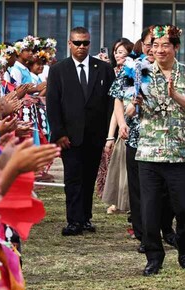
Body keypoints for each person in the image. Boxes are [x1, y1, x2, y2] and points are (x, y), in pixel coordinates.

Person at [117, 24, 185, 275]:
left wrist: (175, 94)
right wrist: (134, 104)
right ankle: (154, 256)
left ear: (176, 47)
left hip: (180, 153)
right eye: (155, 44)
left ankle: (184, 248)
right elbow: (128, 111)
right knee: (150, 209)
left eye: (166, 44)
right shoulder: (139, 72)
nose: (160, 49)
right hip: (149, 152)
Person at [46, 26, 115, 236]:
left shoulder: (103, 68)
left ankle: (85, 218)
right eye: (77, 43)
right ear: (69, 44)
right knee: (73, 178)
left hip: (96, 135)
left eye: (85, 43)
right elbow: (53, 104)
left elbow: (111, 102)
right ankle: (73, 220)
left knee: (89, 178)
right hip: (69, 136)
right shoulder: (58, 70)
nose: (81, 47)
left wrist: (108, 134)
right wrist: (59, 133)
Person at [102, 38, 134, 214]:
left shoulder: (135, 71)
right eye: (116, 51)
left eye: (122, 51)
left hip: (131, 125)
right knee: (118, 167)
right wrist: (110, 134)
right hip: (119, 123)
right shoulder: (112, 72)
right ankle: (118, 201)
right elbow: (117, 106)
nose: (117, 54)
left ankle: (129, 204)